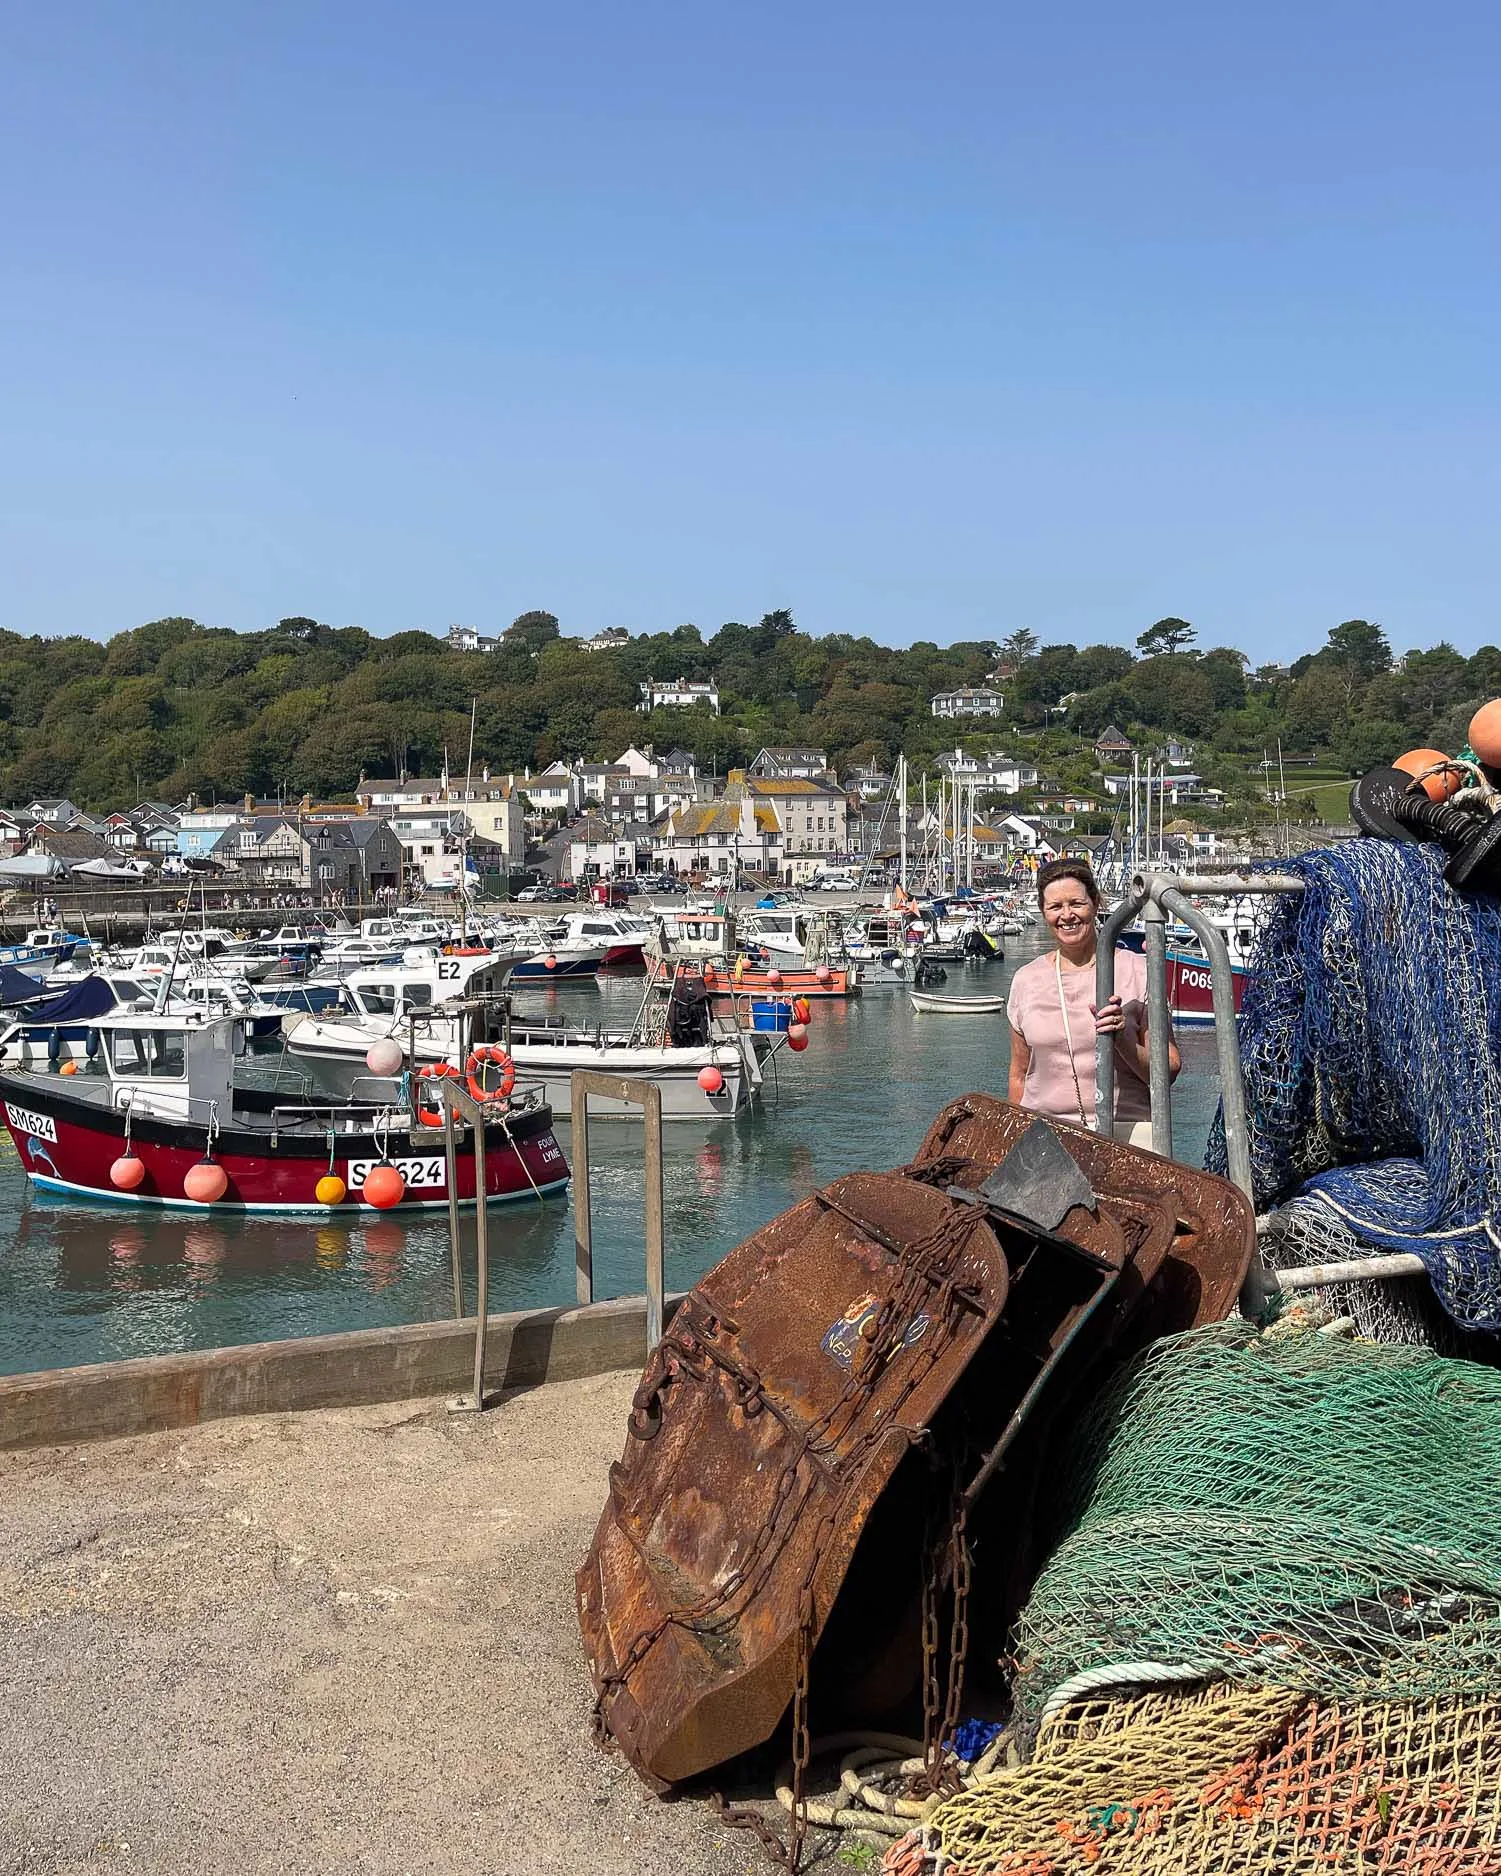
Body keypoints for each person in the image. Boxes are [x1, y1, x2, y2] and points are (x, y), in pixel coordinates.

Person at [1006, 858, 1180, 1147]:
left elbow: (1169, 1070)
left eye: (1076, 903)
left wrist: (1123, 1040)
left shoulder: (1139, 971)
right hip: (1045, 1136)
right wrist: (1013, 1139)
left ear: (1096, 903)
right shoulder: (1026, 980)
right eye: (1055, 907)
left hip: (1128, 1133)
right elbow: (1019, 1076)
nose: (1067, 915)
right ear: (1042, 912)